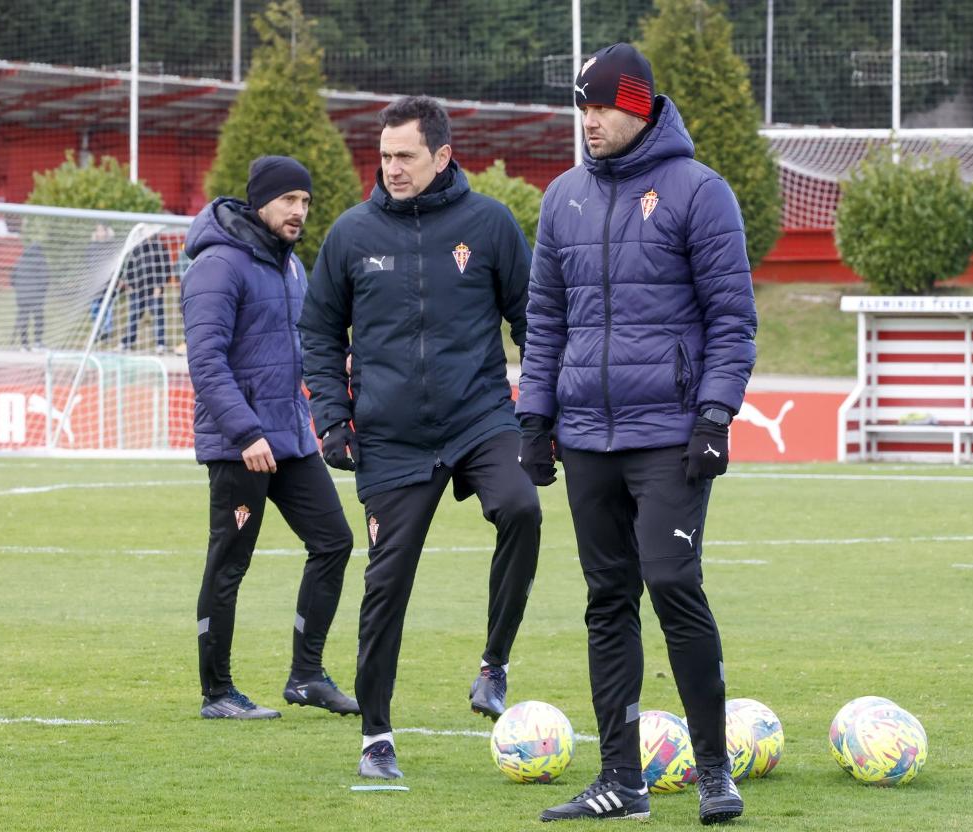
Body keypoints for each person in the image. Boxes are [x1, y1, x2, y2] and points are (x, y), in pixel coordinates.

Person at [517, 44, 757, 824]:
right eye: (581, 107)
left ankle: (715, 770)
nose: (590, 122)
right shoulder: (562, 199)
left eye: (604, 108)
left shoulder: (700, 192)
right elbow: (544, 320)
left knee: (674, 586)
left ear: (643, 106)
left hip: (670, 436)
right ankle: (621, 781)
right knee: (605, 600)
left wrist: (716, 415)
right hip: (586, 434)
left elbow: (732, 320)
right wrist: (534, 418)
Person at [299, 95, 541, 779]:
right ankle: (376, 736)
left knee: (521, 508)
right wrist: (332, 417)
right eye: (384, 156)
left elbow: (532, 320)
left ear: (441, 155)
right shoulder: (350, 235)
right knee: (387, 584)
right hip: (392, 439)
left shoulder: (490, 224)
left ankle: (493, 666)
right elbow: (318, 332)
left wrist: (544, 411)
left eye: (405, 156)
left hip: (480, 418)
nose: (392, 169)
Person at [182, 155, 360, 720]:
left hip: (290, 437)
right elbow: (205, 361)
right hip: (243, 444)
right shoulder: (217, 266)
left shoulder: (291, 268)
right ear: (261, 200)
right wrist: (245, 432)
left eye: (305, 202)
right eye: (290, 200)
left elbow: (305, 350)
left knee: (334, 541)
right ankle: (217, 693)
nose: (300, 211)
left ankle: (306, 675)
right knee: (230, 564)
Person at [120, 233, 172, 352]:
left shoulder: (160, 248)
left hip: (154, 290)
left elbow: (166, 268)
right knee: (133, 316)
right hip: (138, 290)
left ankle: (160, 344)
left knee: (158, 316)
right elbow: (129, 267)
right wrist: (130, 284)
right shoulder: (136, 249)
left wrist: (159, 285)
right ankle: (126, 342)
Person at [10, 239, 49, 350]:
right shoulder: (41, 260)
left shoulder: (21, 259)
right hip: (36, 296)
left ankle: (24, 344)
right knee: (38, 318)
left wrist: (19, 289)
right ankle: (37, 342)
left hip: (22, 297)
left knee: (23, 319)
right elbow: (45, 279)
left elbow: (12, 279)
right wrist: (42, 293)